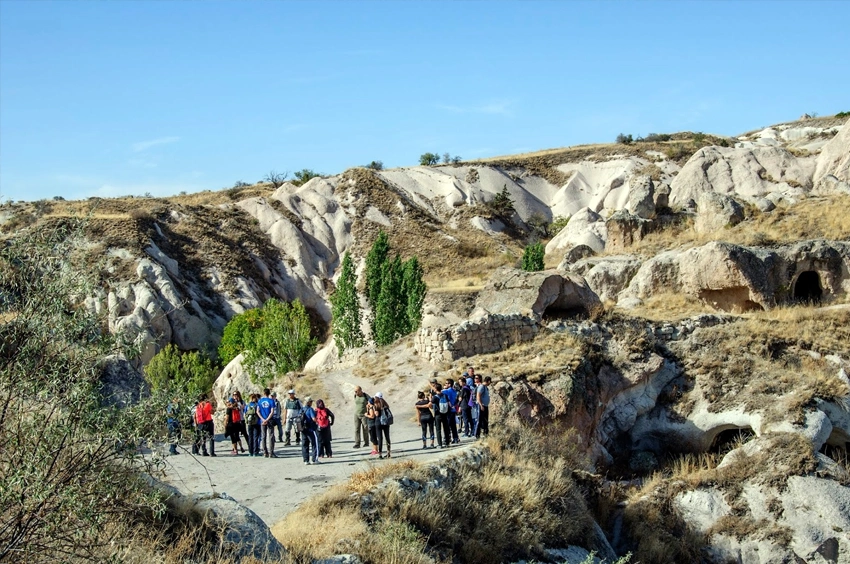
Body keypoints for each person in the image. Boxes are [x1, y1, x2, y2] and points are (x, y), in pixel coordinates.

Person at [258, 388, 277, 458]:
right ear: (269, 393)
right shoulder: (271, 401)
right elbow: (272, 412)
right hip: (270, 420)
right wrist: (267, 419)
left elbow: (258, 411)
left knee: (263, 436)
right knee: (271, 435)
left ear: (263, 393)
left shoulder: (260, 401)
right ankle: (271, 452)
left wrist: (263, 419)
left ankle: (265, 452)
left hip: (262, 420)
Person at [431, 383, 451, 449]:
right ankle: (447, 443)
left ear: (436, 389)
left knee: (438, 429)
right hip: (445, 413)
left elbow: (430, 405)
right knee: (446, 428)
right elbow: (449, 404)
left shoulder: (435, 397)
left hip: (438, 414)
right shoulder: (444, 395)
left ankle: (440, 444)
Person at [300, 396, 319, 465]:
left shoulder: (301, 409)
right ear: (308, 402)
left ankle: (306, 460)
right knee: (314, 443)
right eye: (311, 402)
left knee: (305, 445)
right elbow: (313, 418)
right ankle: (314, 459)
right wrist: (317, 423)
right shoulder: (310, 409)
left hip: (303, 429)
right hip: (310, 429)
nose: (311, 403)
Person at [373, 392, 392, 459]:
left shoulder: (376, 404)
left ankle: (380, 454)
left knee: (380, 438)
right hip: (386, 422)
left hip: (378, 422)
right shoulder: (385, 404)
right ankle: (388, 453)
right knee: (387, 437)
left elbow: (377, 414)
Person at [443, 378, 460, 444]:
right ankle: (455, 438)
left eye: (446, 383)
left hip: (449, 409)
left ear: (449, 384)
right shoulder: (454, 390)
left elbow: (438, 391)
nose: (445, 384)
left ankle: (447, 438)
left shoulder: (449, 390)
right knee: (453, 425)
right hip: (453, 409)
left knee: (448, 425)